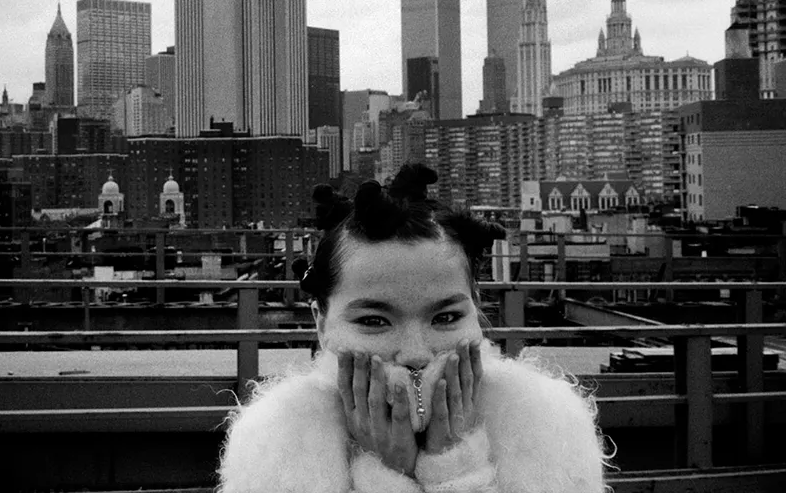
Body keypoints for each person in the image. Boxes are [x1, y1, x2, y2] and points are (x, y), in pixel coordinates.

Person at [218, 164, 609, 493]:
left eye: (446, 317)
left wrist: (454, 464)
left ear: (477, 310)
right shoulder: (276, 442)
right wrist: (388, 472)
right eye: (373, 321)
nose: (417, 353)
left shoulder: (546, 426)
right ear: (321, 323)